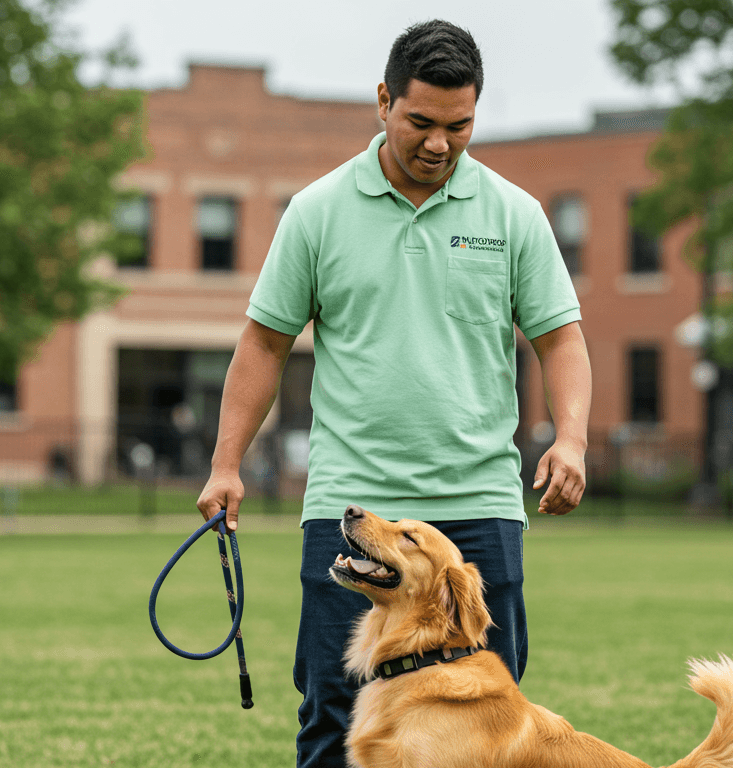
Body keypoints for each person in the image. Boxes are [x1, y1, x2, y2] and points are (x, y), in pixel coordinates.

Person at [195, 19, 592, 768]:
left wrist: (569, 436)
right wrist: (225, 463)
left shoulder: (514, 214)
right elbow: (265, 343)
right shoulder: (317, 211)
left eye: (460, 125)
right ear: (383, 101)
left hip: (478, 504)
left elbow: (560, 338)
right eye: (421, 122)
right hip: (354, 503)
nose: (440, 144)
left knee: (485, 726)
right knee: (332, 718)